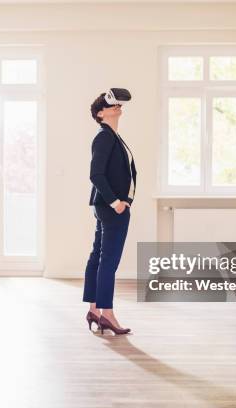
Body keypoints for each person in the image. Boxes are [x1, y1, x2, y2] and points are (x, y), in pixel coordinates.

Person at [83, 89, 137, 335]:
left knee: (98, 257)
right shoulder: (104, 137)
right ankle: (108, 314)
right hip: (110, 207)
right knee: (108, 261)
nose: (116, 107)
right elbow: (96, 174)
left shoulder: (113, 137)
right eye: (109, 105)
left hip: (104, 206)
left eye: (117, 105)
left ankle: (95, 309)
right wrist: (116, 202)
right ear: (100, 113)